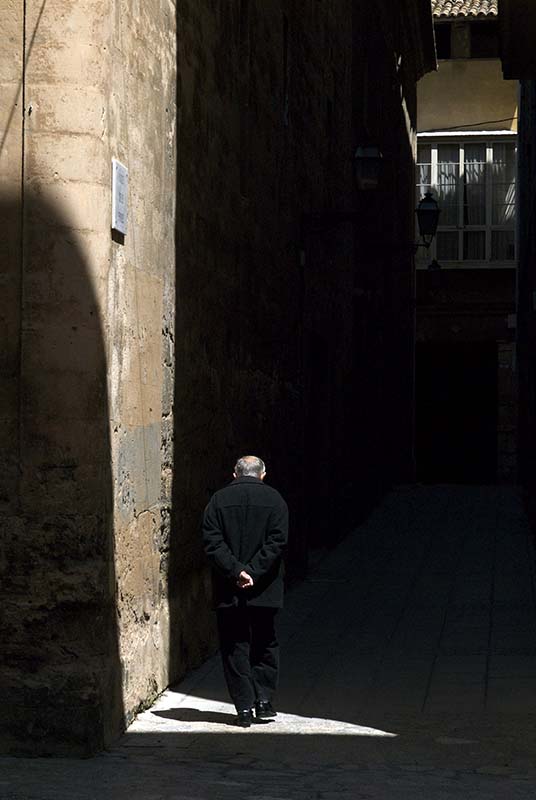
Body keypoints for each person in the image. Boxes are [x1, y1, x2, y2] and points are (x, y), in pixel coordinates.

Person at [202, 455, 288, 727]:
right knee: (265, 641)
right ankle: (263, 701)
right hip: (265, 587)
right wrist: (254, 571)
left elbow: (212, 542)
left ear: (235, 473)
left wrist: (236, 571)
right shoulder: (276, 500)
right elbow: (277, 542)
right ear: (263, 474)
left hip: (230, 588)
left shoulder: (217, 501)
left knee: (234, 644)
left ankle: (243, 708)